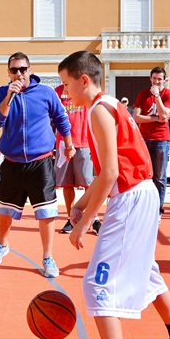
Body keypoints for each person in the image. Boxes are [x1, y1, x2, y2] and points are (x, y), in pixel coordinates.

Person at [58, 51, 170, 339]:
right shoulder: (110, 106)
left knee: (97, 285)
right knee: (147, 271)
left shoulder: (98, 110)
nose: (65, 91)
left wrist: (84, 221)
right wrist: (82, 201)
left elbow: (109, 174)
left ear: (83, 80)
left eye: (67, 83)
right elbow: (109, 170)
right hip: (141, 193)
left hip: (130, 198)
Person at [0, 52, 73, 278]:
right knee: (5, 211)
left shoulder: (46, 93)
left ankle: (47, 257)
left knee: (46, 213)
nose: (19, 74)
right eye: (14, 70)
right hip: (12, 163)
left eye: (23, 69)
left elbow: (62, 119)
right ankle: (2, 244)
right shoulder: (1, 92)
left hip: (40, 163)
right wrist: (8, 97)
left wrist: (69, 144)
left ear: (30, 70)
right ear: (8, 72)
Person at [54, 82, 96, 234]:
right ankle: (71, 218)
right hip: (63, 144)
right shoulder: (57, 92)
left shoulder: (83, 88)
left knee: (88, 183)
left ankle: (93, 218)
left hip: (83, 142)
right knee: (67, 184)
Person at [133, 67, 170, 218]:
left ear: (164, 80)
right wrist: (156, 119)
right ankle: (145, 206)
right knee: (145, 176)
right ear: (150, 78)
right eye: (154, 78)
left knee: (160, 177)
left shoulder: (168, 94)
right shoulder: (143, 94)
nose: (157, 81)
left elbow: (165, 114)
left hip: (161, 139)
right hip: (144, 139)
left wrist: (157, 96)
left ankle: (158, 208)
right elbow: (136, 117)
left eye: (160, 79)